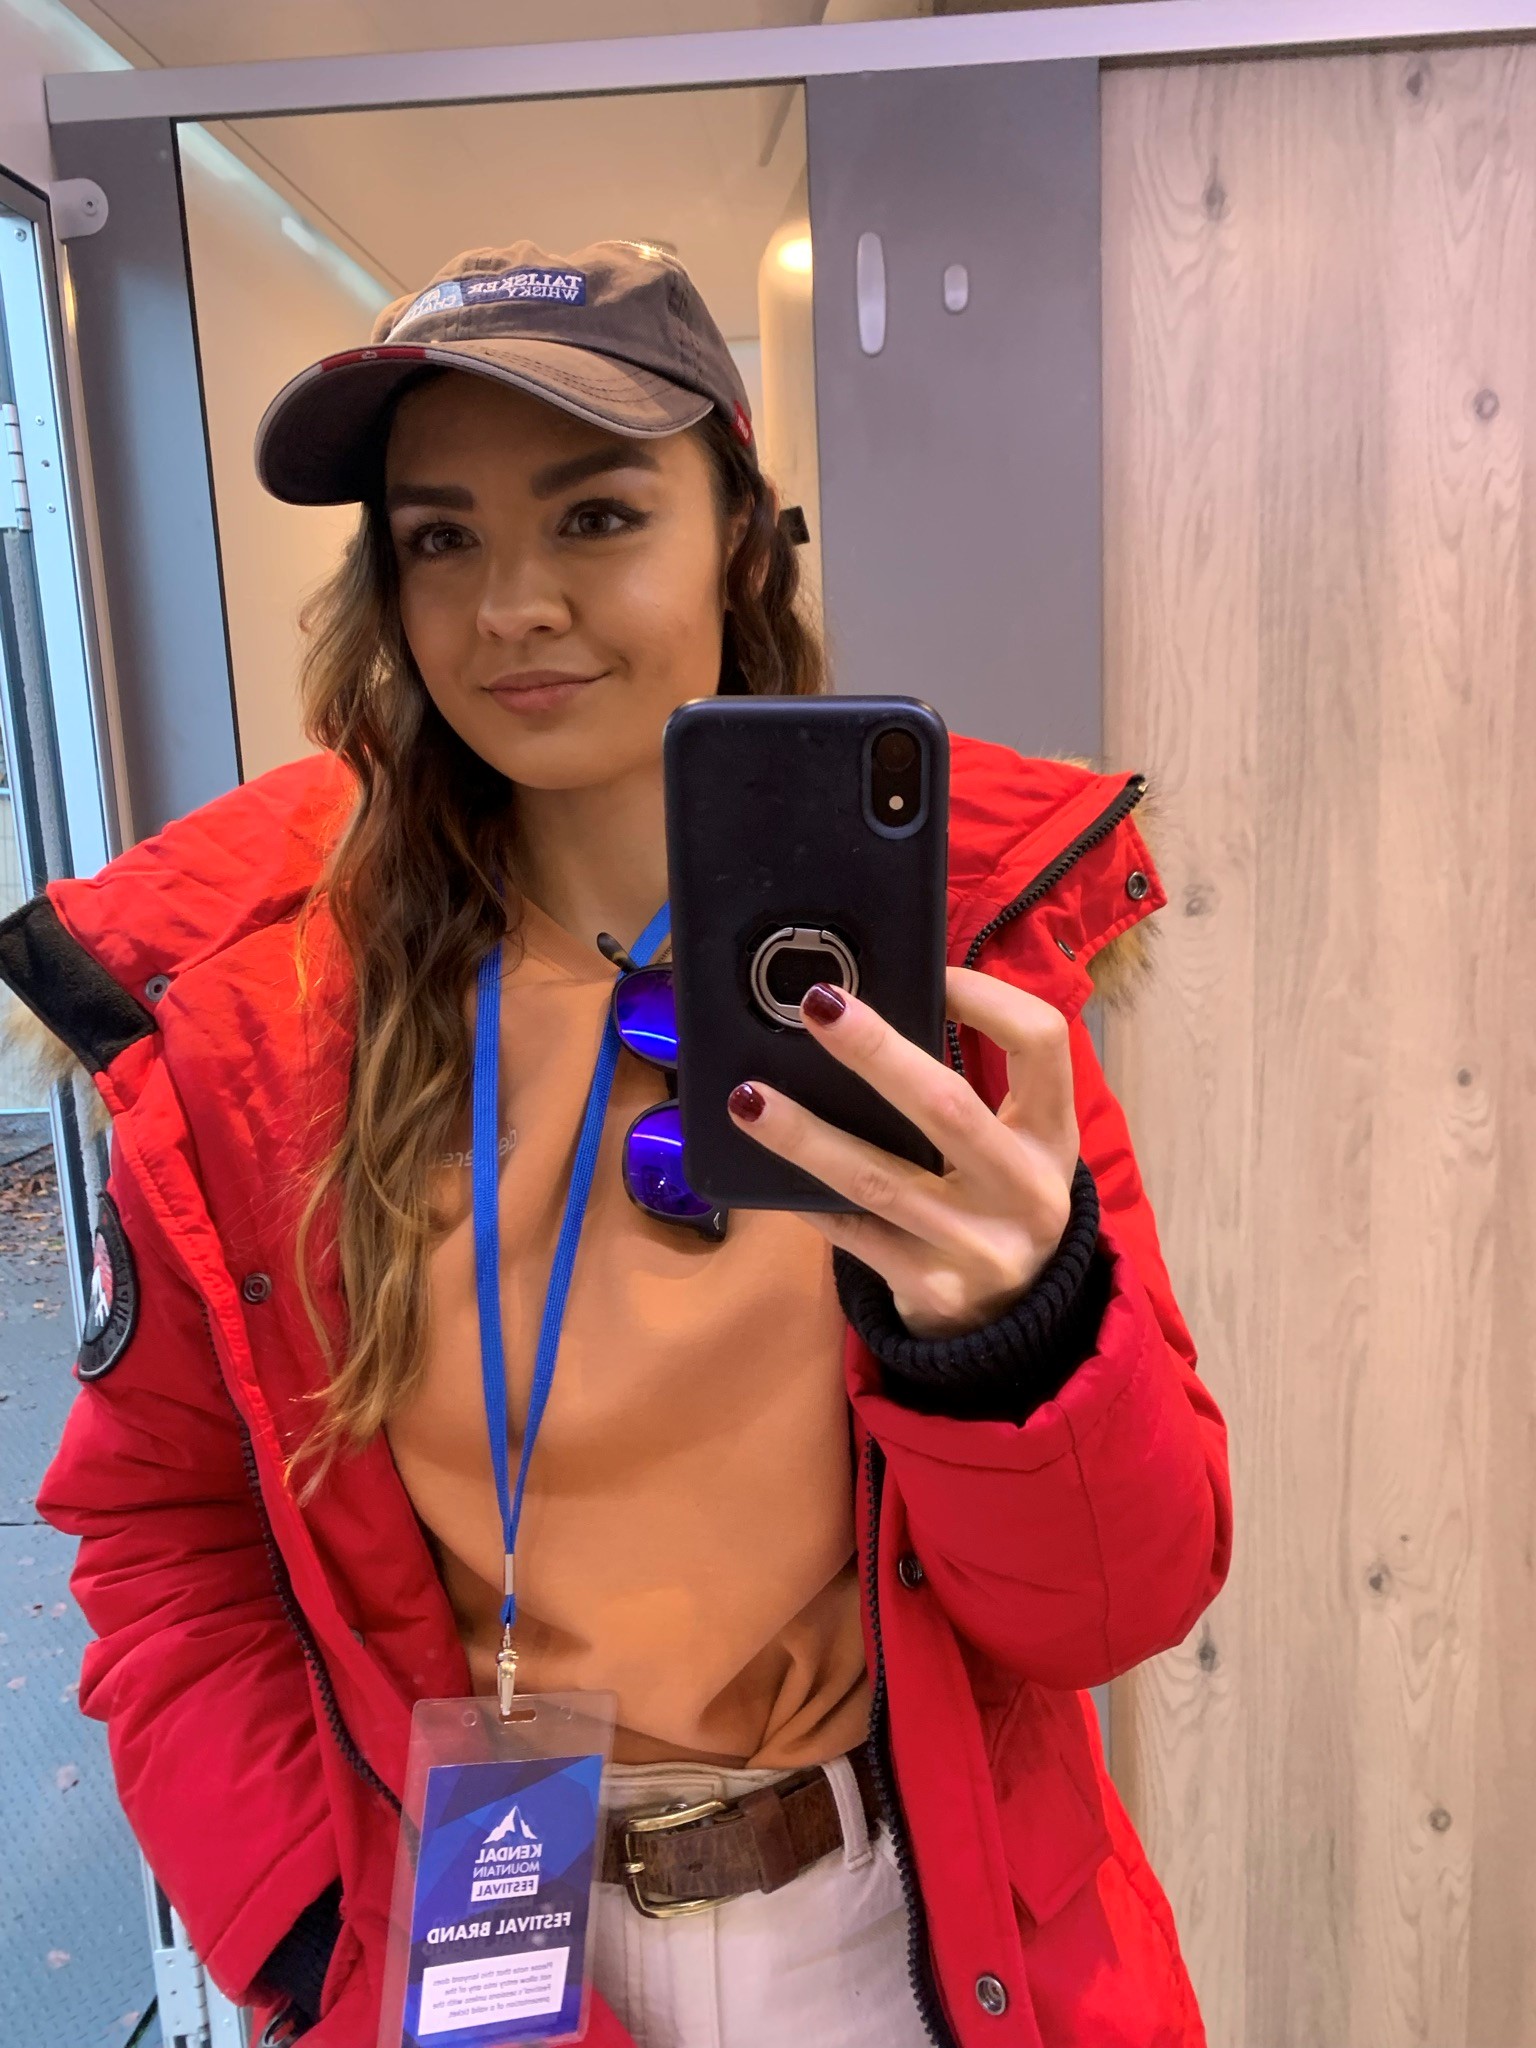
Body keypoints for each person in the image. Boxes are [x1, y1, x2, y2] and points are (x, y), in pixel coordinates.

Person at [0, 240, 1231, 2048]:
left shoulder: (953, 976)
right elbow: (165, 1540)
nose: (511, 604)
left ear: (738, 541)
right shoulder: (258, 1031)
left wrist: (1013, 1344)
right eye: (440, 538)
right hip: (476, 1930)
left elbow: (1117, 1603)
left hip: (914, 1930)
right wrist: (320, 1926)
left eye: (594, 517)